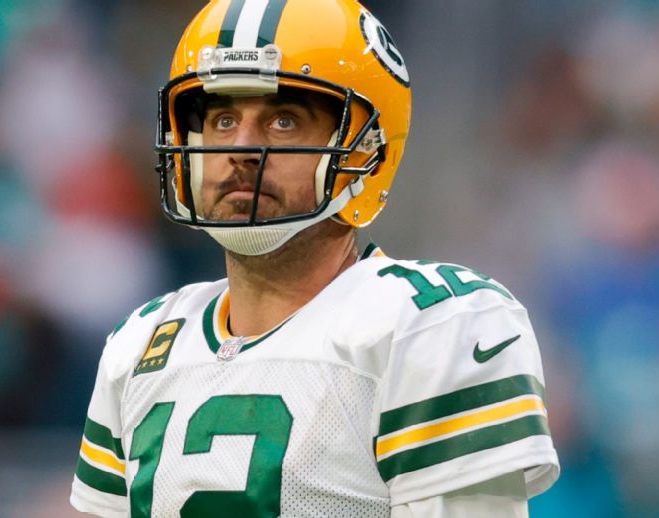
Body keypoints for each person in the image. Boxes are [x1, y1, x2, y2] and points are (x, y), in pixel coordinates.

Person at [70, 1, 559, 516]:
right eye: (222, 118)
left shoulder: (432, 325)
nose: (240, 147)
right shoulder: (141, 342)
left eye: (283, 121)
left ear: (364, 149)